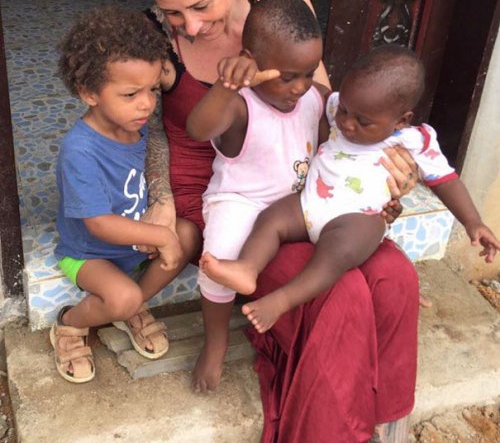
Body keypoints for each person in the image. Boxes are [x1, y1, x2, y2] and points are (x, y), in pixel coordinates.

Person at [134, 0, 420, 443]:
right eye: (172, 12)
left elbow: (328, 111)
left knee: (394, 277)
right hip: (224, 195)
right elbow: (150, 131)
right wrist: (161, 197)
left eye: (200, 5)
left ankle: (384, 420)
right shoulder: (152, 38)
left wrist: (374, 178)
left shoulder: (286, 7)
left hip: (302, 187)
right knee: (341, 297)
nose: (190, 26)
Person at [202, 45, 500, 334]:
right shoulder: (337, 105)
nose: (346, 123)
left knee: (337, 253)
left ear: (401, 119)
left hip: (357, 219)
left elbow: (446, 180)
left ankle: (281, 301)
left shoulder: (414, 141)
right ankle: (247, 268)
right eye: (344, 109)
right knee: (271, 218)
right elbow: (312, 90)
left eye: (363, 121)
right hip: (308, 205)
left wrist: (473, 221)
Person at [52, 6, 194, 383]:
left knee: (189, 236)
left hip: (134, 248)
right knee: (123, 296)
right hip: (89, 254)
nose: (147, 103)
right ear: (89, 93)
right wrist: (160, 235)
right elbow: (98, 224)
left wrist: (164, 231)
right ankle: (70, 323)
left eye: (152, 90)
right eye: (131, 94)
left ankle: (132, 305)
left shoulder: (137, 125)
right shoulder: (80, 150)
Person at [185, 0, 327, 365]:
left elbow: (339, 140)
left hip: (293, 204)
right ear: (251, 62)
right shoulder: (240, 105)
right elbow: (198, 129)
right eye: (288, 77)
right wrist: (226, 86)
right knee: (220, 254)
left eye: (309, 73)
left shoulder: (316, 99)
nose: (300, 87)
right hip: (242, 202)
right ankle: (215, 341)